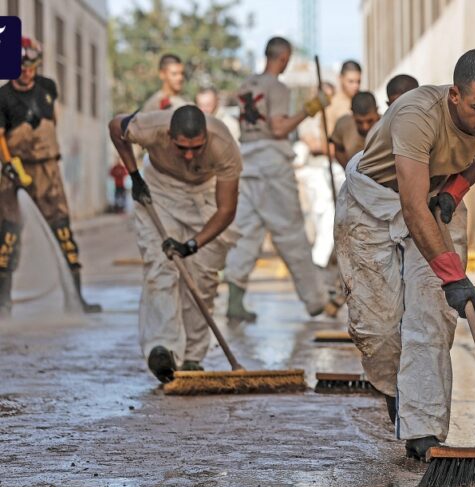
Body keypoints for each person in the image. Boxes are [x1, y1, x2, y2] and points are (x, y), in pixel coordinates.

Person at [335, 49, 475, 459]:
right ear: (455, 95)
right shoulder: (417, 115)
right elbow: (412, 208)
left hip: (433, 200)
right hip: (374, 203)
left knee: (431, 317)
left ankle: (424, 428)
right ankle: (396, 389)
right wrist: (454, 275)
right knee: (379, 330)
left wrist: (454, 191)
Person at [108, 105, 242, 382]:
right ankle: (163, 350)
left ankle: (193, 357)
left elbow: (226, 210)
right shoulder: (149, 126)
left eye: (197, 147)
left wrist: (192, 245)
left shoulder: (224, 144)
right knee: (161, 267)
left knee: (203, 278)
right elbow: (114, 126)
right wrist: (134, 175)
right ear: (169, 136)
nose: (190, 155)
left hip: (204, 196)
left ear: (206, 136)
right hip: (159, 190)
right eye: (182, 148)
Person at [223, 37, 336, 323]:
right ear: (284, 57)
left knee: (247, 232)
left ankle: (234, 301)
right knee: (290, 232)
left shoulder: (247, 85)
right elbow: (278, 127)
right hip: (271, 163)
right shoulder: (278, 88)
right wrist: (310, 107)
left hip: (246, 162)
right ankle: (315, 300)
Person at [0, 37, 101, 317]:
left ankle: (76, 301)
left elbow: (51, 123)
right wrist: (9, 165)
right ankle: (3, 305)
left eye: (32, 65)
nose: (27, 71)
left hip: (48, 171)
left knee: (64, 234)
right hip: (15, 172)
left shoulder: (48, 88)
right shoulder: (3, 97)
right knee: (7, 240)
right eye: (21, 66)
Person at [330, 91, 380, 168]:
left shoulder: (389, 125)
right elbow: (338, 150)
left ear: (376, 111)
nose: (365, 127)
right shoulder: (343, 125)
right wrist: (349, 170)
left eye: (370, 121)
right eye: (359, 122)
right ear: (352, 113)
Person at [324, 60, 362, 136]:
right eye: (351, 81)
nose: (355, 86)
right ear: (340, 78)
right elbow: (329, 140)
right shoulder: (331, 105)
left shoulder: (364, 101)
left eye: (358, 81)